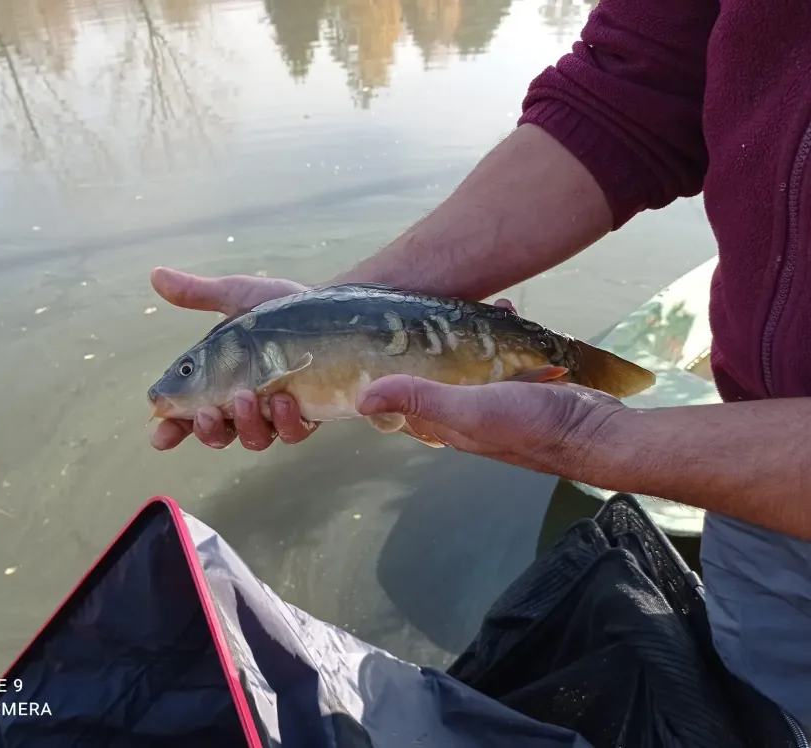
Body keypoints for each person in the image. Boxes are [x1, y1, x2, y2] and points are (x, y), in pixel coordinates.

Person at [148, 0, 811, 731]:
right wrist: (342, 306)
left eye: (185, 374)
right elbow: (632, 94)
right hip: (753, 519)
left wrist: (596, 441)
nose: (171, 389)